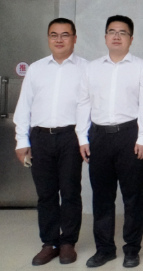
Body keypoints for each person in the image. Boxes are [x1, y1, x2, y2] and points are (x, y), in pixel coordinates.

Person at [76, 15, 143, 268]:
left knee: (132, 197)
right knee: (102, 197)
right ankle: (105, 249)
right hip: (98, 137)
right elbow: (83, 103)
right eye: (112, 31)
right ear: (105, 37)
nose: (117, 36)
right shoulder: (92, 68)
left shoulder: (142, 68)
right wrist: (82, 137)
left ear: (131, 38)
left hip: (130, 136)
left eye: (123, 32)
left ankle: (132, 249)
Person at [13, 18, 87, 266]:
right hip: (40, 137)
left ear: (74, 39)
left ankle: (68, 243)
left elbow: (88, 107)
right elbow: (24, 106)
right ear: (48, 38)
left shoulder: (86, 69)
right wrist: (21, 141)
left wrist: (84, 139)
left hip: (70, 137)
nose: (59, 39)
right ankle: (50, 243)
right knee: (45, 194)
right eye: (54, 35)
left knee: (70, 192)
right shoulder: (36, 69)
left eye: (65, 35)